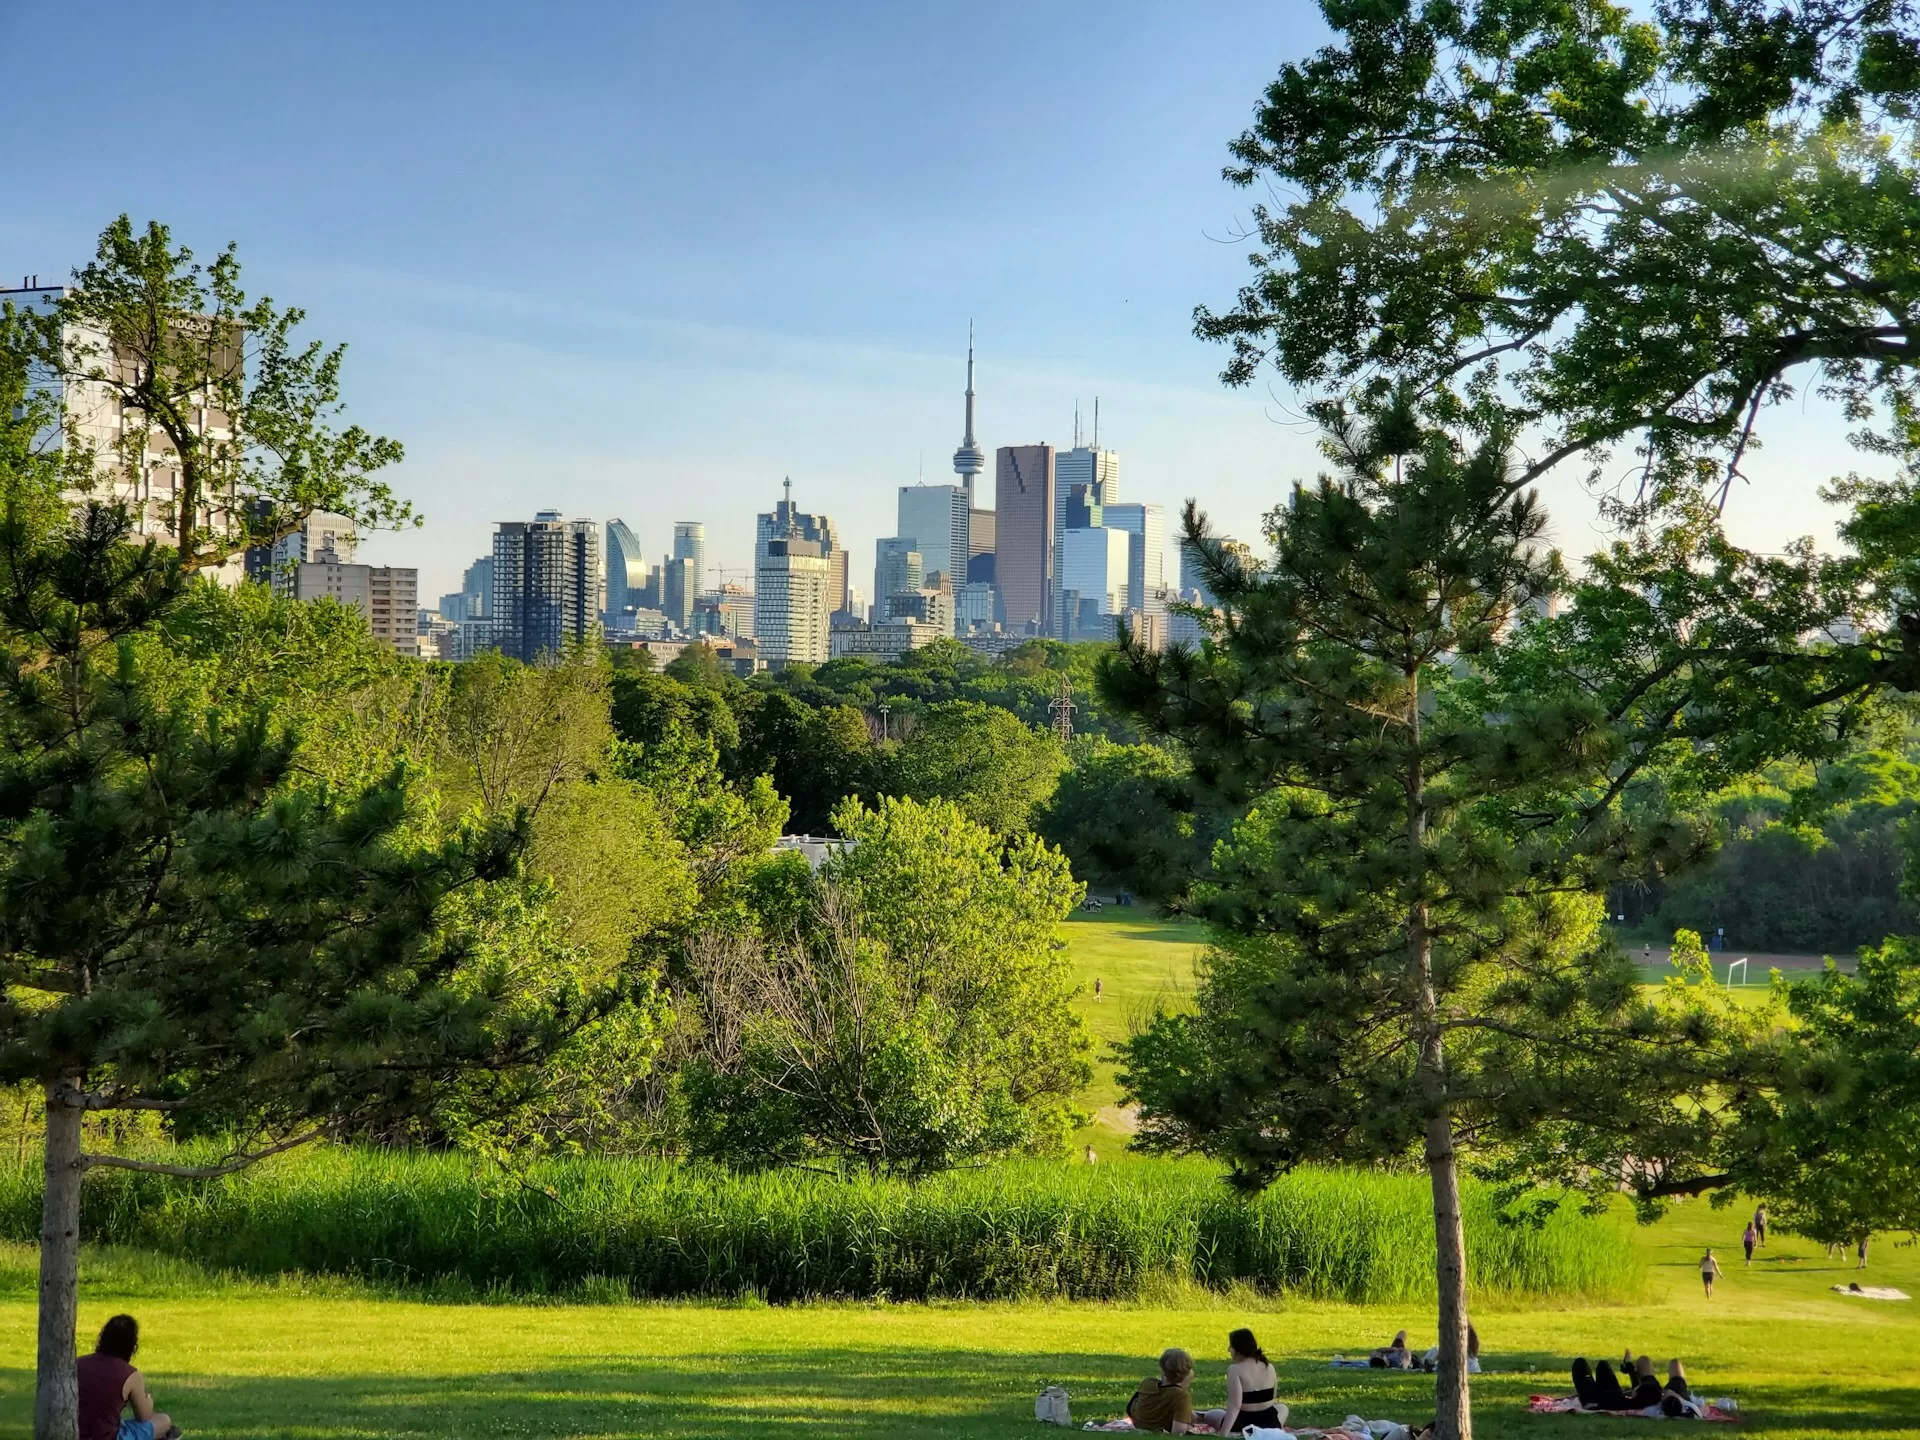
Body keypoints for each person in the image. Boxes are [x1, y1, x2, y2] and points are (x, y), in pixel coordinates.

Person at [77, 1314, 179, 1440]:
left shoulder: (78, 1363)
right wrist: (148, 1402)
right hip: (109, 1436)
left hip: (76, 1433)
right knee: (164, 1420)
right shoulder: (130, 1374)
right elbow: (144, 1416)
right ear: (132, 1345)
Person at [1197, 1328, 1285, 1436]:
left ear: (1239, 1349)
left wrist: (1223, 1433)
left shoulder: (1235, 1370)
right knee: (1282, 1408)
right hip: (1269, 1423)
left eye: (1231, 1346)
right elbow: (1272, 1399)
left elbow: (1235, 1406)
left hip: (1243, 1424)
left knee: (1211, 1415)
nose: (1228, 1349)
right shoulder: (1269, 1367)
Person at [1126, 1348, 1199, 1434]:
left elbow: (1130, 1408)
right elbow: (1178, 1431)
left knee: (1194, 1415)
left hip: (1139, 1425)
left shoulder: (1147, 1383)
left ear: (1162, 1369)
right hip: (1159, 1429)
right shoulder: (1181, 1396)